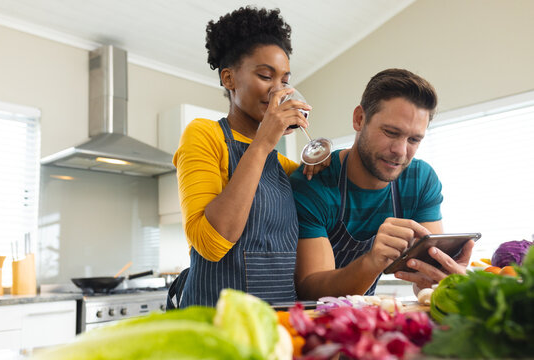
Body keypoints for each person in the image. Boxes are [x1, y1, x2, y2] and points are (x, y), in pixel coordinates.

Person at [167, 6, 328, 309]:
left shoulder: (284, 166)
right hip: (215, 328)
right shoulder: (204, 135)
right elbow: (212, 243)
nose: (278, 90)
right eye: (266, 76)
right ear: (229, 79)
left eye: (284, 80)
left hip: (278, 327)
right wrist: (264, 141)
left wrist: (320, 165)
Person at [289, 68, 475, 300]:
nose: (400, 151)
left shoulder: (420, 180)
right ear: (359, 119)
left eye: (414, 139)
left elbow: (425, 279)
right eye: (390, 132)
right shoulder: (314, 183)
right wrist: (372, 261)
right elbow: (311, 289)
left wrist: (444, 279)